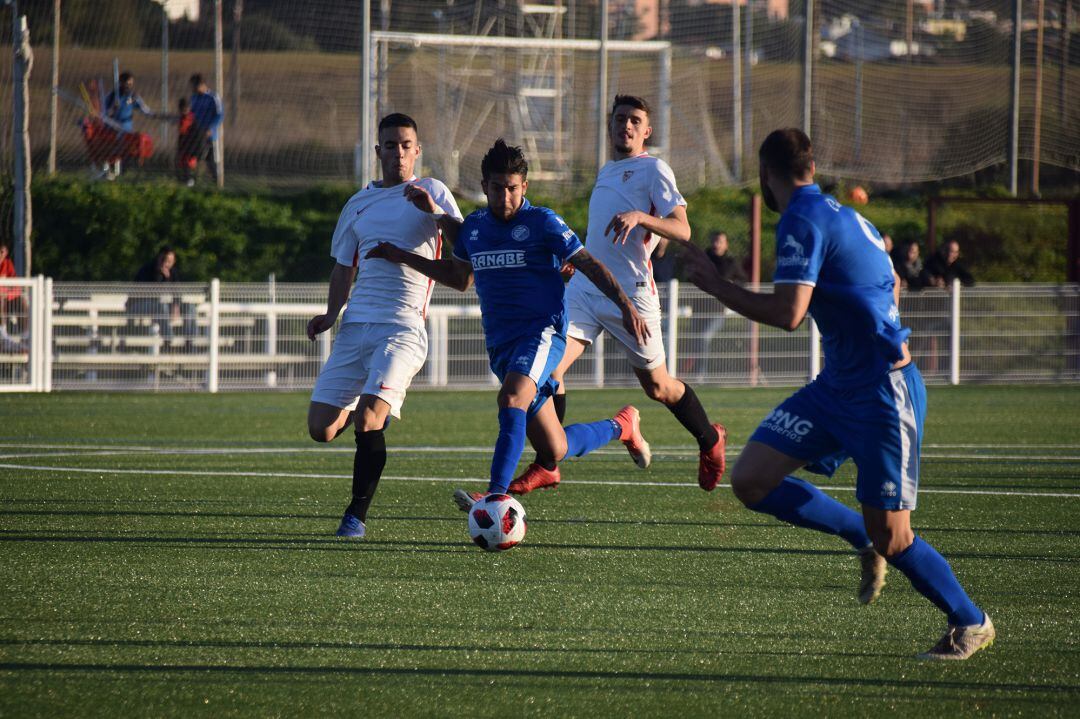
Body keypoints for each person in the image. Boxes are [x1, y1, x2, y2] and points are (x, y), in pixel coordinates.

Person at [679, 128, 994, 660]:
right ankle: (859, 536)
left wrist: (714, 285)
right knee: (751, 479)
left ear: (766, 176)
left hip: (882, 394)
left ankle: (971, 621)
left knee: (896, 538)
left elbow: (789, 314)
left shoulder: (801, 219)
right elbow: (892, 282)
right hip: (837, 386)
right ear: (811, 168)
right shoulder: (848, 216)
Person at [367, 139, 652, 510]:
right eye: (498, 188)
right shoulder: (474, 228)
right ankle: (622, 426)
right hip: (502, 345)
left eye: (513, 189)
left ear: (524, 187)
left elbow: (588, 264)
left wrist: (626, 305)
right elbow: (459, 277)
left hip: (542, 333)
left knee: (512, 398)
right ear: (485, 186)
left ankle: (495, 497)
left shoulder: (543, 222)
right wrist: (402, 255)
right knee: (555, 448)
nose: (505, 197)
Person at [512, 94, 727, 496]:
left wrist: (642, 217)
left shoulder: (654, 169)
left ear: (647, 131)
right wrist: (578, 262)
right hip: (585, 289)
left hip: (633, 294)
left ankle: (710, 439)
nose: (626, 125)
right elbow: (603, 233)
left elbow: (683, 229)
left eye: (635, 120)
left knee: (658, 387)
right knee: (550, 370)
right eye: (620, 118)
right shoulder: (606, 171)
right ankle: (548, 464)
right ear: (610, 125)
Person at [306, 113, 463, 539]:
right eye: (390, 145)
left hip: (402, 328)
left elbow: (466, 248)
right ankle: (371, 403)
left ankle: (355, 516)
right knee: (321, 429)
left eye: (406, 145)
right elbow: (344, 266)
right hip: (356, 325)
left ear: (418, 151)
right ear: (379, 151)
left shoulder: (433, 191)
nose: (398, 153)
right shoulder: (358, 203)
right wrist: (331, 313)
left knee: (368, 420)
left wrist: (435, 213)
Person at [691, 231, 747, 376]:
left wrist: (731, 285)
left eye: (720, 242)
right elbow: (692, 275)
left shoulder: (731, 263)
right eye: (715, 241)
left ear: (726, 245)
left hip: (717, 311)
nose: (717, 244)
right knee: (691, 341)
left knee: (704, 337)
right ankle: (688, 373)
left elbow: (742, 280)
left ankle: (700, 375)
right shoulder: (703, 259)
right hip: (698, 310)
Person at [131, 246, 189, 342]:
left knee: (189, 307)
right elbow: (153, 293)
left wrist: (176, 305)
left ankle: (191, 341)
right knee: (161, 307)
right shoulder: (148, 269)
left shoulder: (173, 272)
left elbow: (177, 291)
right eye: (165, 260)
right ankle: (168, 340)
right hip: (140, 304)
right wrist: (162, 276)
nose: (167, 264)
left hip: (161, 305)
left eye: (171, 261)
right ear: (159, 258)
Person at [103, 71, 154, 178]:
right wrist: (113, 109)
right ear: (121, 83)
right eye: (127, 84)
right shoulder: (112, 96)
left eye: (131, 84)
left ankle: (122, 172)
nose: (129, 86)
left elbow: (145, 109)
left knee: (127, 151)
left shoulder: (132, 97)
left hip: (126, 130)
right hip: (112, 129)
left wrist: (154, 115)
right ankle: (109, 172)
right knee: (111, 151)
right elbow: (104, 114)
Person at [189, 74, 224, 184]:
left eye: (194, 86)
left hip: (209, 135)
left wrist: (211, 129)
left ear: (201, 84)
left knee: (211, 160)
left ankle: (217, 182)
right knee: (193, 158)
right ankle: (192, 180)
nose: (192, 89)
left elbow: (220, 115)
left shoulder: (213, 97)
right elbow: (191, 114)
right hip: (196, 134)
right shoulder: (194, 98)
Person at [176, 97, 199, 186]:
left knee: (188, 162)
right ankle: (185, 180)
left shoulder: (192, 118)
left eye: (186, 109)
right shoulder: (182, 118)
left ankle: (190, 180)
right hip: (183, 142)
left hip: (190, 143)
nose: (184, 111)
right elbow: (181, 131)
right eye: (182, 109)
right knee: (181, 162)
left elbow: (194, 131)